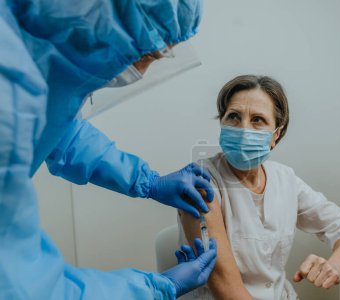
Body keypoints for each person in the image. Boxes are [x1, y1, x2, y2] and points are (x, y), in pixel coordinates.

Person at [0, 0, 218, 299]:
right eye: (151, 54)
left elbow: (63, 133)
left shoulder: (28, 46)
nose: (143, 69)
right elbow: (25, 289)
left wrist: (146, 181)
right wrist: (154, 288)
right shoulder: (7, 96)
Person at [178, 75, 340, 299]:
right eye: (234, 116)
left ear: (275, 135)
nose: (244, 130)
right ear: (222, 123)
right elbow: (225, 287)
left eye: (257, 120)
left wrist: (335, 263)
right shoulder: (201, 182)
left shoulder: (284, 179)